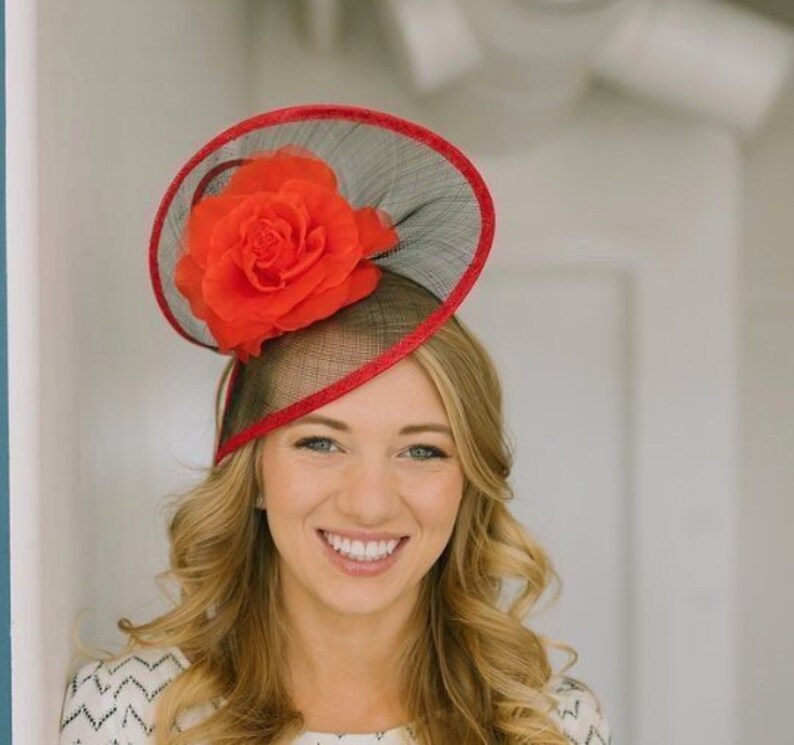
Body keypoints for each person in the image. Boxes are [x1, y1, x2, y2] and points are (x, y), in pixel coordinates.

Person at [60, 105, 611, 744]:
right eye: (320, 442)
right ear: (255, 473)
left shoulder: (551, 723)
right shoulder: (127, 710)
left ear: (470, 481)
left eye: (424, 451)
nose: (369, 503)